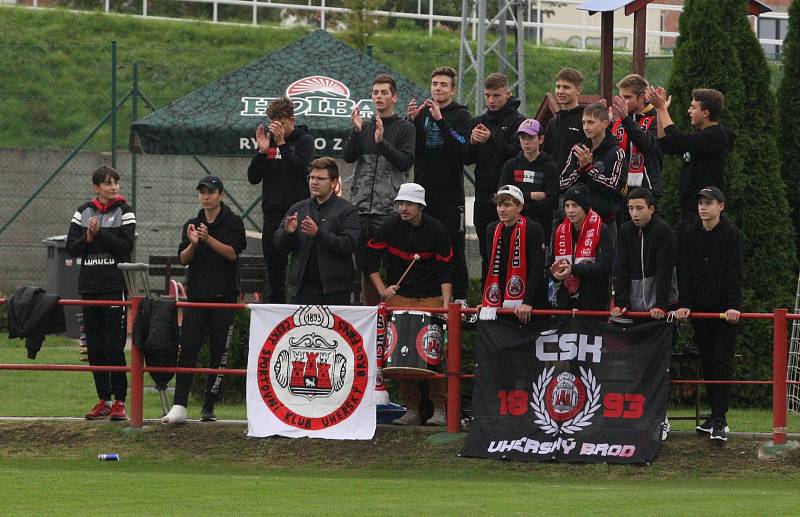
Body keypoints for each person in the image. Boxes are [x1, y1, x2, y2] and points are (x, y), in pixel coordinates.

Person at [365, 183, 452, 426]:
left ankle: (440, 408)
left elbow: (446, 271)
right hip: (399, 298)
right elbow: (369, 262)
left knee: (434, 353)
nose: (403, 208)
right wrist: (384, 290)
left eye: (409, 204)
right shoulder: (388, 228)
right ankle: (410, 407)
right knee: (399, 354)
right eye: (401, 204)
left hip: (431, 298)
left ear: (421, 207)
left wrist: (446, 306)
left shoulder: (437, 230)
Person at [163, 175, 246, 424]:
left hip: (223, 299)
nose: (206, 197)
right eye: (202, 192)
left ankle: (209, 406)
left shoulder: (233, 222)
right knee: (187, 349)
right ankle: (179, 405)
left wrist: (209, 239)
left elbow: (232, 253)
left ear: (221, 194)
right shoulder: (192, 223)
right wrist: (194, 243)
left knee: (219, 353)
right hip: (197, 299)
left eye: (211, 192)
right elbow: (183, 259)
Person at [67, 166, 136, 421]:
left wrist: (100, 233)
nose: (113, 187)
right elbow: (71, 249)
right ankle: (103, 400)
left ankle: (120, 401)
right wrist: (86, 238)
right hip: (89, 288)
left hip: (113, 287)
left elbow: (125, 248)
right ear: (97, 187)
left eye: (116, 182)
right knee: (94, 347)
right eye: (107, 183)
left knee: (114, 346)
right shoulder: (82, 211)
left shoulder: (125, 211)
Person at [674, 186, 743, 442]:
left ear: (721, 206)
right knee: (707, 361)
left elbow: (734, 272)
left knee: (722, 362)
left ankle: (721, 418)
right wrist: (685, 303)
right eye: (701, 202)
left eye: (709, 202)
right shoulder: (692, 233)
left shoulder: (731, 234)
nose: (703, 207)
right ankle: (714, 416)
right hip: (701, 311)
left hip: (725, 312)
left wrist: (734, 305)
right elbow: (686, 271)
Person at [344, 74, 415, 305]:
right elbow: (348, 156)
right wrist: (356, 132)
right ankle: (371, 312)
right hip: (361, 208)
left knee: (393, 264)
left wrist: (382, 142)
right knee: (366, 265)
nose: (379, 97)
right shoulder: (364, 126)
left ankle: (394, 313)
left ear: (394, 97)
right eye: (375, 93)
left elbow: (405, 162)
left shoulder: (405, 128)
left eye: (384, 93)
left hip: (390, 209)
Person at [408, 66, 472, 302]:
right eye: (435, 84)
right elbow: (410, 151)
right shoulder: (422, 112)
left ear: (453, 90)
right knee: (424, 243)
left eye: (443, 85)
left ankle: (461, 296)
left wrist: (441, 121)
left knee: (454, 244)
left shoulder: (461, 115)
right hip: (424, 192)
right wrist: (410, 121)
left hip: (450, 193)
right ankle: (427, 292)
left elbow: (463, 148)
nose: (438, 88)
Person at [247, 96, 314, 303]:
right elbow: (253, 178)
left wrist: (283, 144)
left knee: (300, 270)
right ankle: (274, 315)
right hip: (273, 215)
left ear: (292, 121)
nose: (278, 129)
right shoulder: (269, 141)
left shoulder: (305, 141)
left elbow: (302, 171)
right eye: (275, 125)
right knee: (274, 274)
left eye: (283, 124)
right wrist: (262, 152)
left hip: (297, 213)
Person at [647, 86, 736, 235]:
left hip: (705, 211)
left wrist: (663, 109)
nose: (689, 111)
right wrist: (659, 112)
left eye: (693, 107)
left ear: (706, 113)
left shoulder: (715, 136)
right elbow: (667, 146)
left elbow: (677, 139)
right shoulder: (699, 136)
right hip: (689, 211)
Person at [274, 157, 361, 305]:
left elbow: (348, 245)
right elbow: (279, 247)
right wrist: (287, 233)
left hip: (334, 291)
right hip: (301, 290)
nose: (314, 182)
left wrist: (318, 234)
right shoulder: (298, 208)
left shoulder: (347, 211)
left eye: (320, 178)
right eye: (311, 177)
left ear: (333, 183)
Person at [464, 73, 526, 282]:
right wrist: (472, 143)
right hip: (483, 198)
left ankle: (512, 297)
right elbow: (465, 159)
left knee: (512, 255)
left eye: (496, 95)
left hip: (511, 199)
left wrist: (491, 140)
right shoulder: (477, 122)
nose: (491, 100)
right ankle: (486, 299)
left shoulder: (519, 122)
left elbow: (519, 155)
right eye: (487, 95)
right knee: (487, 254)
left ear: (508, 94)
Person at [560, 102, 628, 245]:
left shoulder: (616, 152)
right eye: (583, 122)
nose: (585, 126)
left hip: (605, 219)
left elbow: (614, 187)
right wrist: (580, 170)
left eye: (590, 122)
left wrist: (589, 169)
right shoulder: (578, 149)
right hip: (577, 221)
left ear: (604, 124)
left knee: (606, 264)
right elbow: (562, 183)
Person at [479, 185, 546, 323]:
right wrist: (486, 300)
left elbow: (537, 268)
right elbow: (489, 265)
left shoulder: (533, 228)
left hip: (529, 303)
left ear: (520, 207)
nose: (502, 210)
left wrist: (527, 302)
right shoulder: (492, 229)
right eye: (499, 205)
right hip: (500, 300)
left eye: (507, 205)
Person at [610, 188, 677, 321]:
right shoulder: (625, 230)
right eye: (631, 208)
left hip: (662, 306)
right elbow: (623, 268)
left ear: (651, 209)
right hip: (636, 305)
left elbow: (665, 269)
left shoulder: (663, 230)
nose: (634, 213)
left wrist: (661, 304)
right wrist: (620, 302)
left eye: (639, 208)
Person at [550, 184, 613, 311]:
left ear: (585, 208)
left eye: (575, 205)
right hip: (565, 302)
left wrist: (572, 269)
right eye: (567, 206)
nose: (570, 210)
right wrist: (555, 273)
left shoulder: (601, 229)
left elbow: (604, 268)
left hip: (593, 302)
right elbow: (552, 264)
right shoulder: (559, 230)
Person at [497, 119, 559, 240]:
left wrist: (517, 204)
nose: (526, 142)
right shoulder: (511, 165)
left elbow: (552, 201)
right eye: (523, 138)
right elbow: (502, 196)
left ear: (540, 139)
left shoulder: (550, 166)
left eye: (530, 138)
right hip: (514, 225)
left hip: (541, 227)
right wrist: (530, 196)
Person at [610, 74, 663, 215]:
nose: (623, 102)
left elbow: (649, 145)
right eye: (621, 97)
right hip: (621, 189)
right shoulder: (619, 119)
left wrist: (626, 120)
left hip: (647, 189)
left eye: (627, 97)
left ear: (642, 97)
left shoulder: (656, 117)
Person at [543, 67, 586, 172]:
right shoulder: (553, 122)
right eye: (558, 87)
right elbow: (547, 154)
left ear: (578, 90)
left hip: (578, 181)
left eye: (566, 87)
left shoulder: (585, 120)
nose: (560, 91)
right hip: (554, 181)